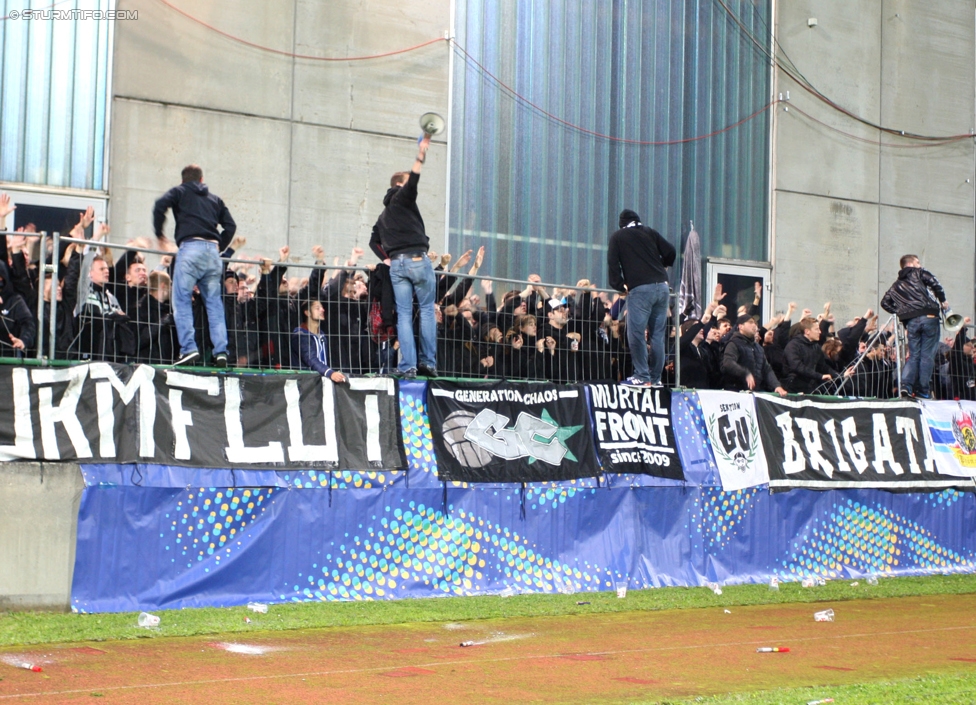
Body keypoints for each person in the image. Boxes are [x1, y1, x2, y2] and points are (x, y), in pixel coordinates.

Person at [153, 164, 236, 367]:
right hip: (212, 252)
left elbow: (159, 205)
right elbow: (230, 226)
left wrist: (160, 234)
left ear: (183, 180)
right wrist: (219, 246)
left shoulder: (179, 191)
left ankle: (189, 349)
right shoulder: (215, 199)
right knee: (214, 304)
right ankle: (221, 351)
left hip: (190, 248)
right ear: (202, 180)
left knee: (181, 299)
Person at [368, 134, 436, 379]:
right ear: (399, 184)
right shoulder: (402, 197)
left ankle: (407, 365)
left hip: (397, 265)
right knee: (427, 310)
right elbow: (414, 176)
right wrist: (421, 152)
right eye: (406, 184)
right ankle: (428, 362)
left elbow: (373, 241)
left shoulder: (383, 216)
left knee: (404, 315)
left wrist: (386, 258)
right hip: (417, 259)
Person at [607, 209, 675, 386]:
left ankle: (642, 377)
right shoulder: (649, 231)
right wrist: (662, 266)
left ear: (622, 224)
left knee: (636, 333)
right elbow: (671, 251)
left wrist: (620, 285)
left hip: (640, 289)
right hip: (662, 287)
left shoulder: (618, 236)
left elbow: (613, 264)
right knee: (657, 335)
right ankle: (656, 379)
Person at [881, 254, 948, 398]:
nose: (920, 264)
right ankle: (923, 390)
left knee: (913, 355)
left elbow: (884, 303)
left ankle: (906, 385)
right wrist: (943, 301)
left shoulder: (895, 285)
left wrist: (903, 313)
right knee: (927, 356)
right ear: (910, 264)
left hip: (911, 321)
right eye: (917, 262)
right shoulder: (920, 272)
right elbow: (935, 284)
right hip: (929, 316)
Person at [721, 314, 788, 396]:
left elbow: (767, 369)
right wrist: (745, 373)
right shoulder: (733, 343)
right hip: (736, 393)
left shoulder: (758, 348)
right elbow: (728, 363)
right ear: (741, 326)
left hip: (755, 393)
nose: (754, 325)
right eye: (750, 322)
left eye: (755, 323)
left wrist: (776, 386)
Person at [292, 298, 347, 383]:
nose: (322, 310)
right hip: (305, 383)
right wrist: (329, 373)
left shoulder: (322, 335)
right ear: (307, 313)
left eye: (322, 307)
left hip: (319, 381)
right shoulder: (300, 334)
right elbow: (310, 358)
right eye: (317, 308)